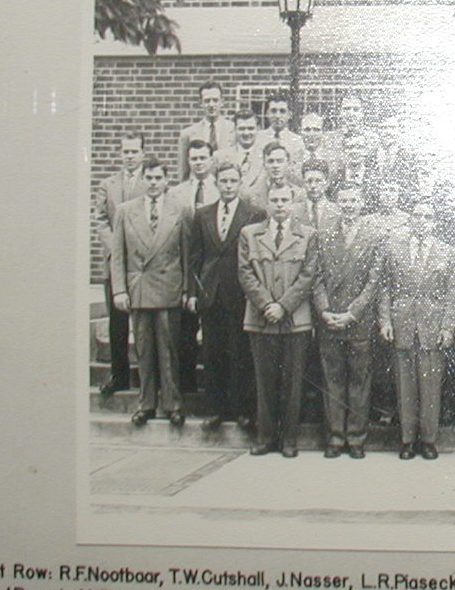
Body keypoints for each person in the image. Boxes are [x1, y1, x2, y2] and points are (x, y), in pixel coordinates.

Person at [238, 182, 317, 457]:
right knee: (265, 381)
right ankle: (266, 437)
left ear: (293, 204)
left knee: (293, 383)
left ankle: (289, 440)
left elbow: (308, 276)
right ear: (267, 203)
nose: (280, 205)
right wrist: (267, 304)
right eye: (275, 200)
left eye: (285, 200)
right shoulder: (249, 234)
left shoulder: (307, 235)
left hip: (295, 319)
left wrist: (283, 306)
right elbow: (245, 273)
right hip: (261, 318)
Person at [109, 158, 189, 427]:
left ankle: (173, 404)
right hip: (139, 287)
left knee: (169, 349)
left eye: (158, 178)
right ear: (143, 179)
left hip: (168, 287)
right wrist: (119, 290)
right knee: (144, 349)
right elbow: (117, 255)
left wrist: (186, 289)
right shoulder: (125, 211)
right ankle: (146, 404)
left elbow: (186, 254)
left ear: (167, 180)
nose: (154, 183)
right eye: (149, 178)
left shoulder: (180, 209)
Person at [184, 160, 263, 432]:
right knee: (213, 353)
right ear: (216, 183)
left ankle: (243, 410)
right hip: (210, 293)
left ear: (240, 183)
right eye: (224, 181)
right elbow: (195, 257)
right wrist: (192, 292)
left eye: (233, 181)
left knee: (241, 353)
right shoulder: (203, 214)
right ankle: (215, 409)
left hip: (240, 293)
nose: (228, 186)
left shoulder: (253, 214)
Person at [379, 199, 455, 459]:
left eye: (427, 217)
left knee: (430, 386)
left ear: (434, 223)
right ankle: (407, 440)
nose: (422, 221)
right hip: (402, 323)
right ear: (410, 220)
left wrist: (447, 328)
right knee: (405, 385)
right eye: (417, 216)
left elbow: (452, 294)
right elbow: (385, 288)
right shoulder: (394, 248)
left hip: (431, 326)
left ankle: (428, 440)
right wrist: (385, 321)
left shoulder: (447, 251)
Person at [311, 182, 383, 459]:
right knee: (332, 379)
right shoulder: (323, 233)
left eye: (354, 200)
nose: (349, 205)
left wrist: (353, 313)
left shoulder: (374, 235)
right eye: (344, 201)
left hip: (358, 320)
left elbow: (374, 281)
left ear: (362, 203)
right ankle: (335, 437)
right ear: (337, 203)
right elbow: (316, 276)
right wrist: (324, 310)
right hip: (330, 318)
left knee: (359, 381)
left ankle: (355, 438)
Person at [95, 130, 145, 396]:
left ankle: (148, 378)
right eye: (126, 151)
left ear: (142, 153)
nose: (130, 156)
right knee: (117, 323)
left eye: (134, 151)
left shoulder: (150, 183)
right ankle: (119, 376)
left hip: (141, 263)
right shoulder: (108, 185)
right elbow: (101, 220)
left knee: (143, 321)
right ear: (120, 153)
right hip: (115, 263)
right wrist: (115, 248)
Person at [176, 81, 237, 180]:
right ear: (201, 103)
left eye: (215, 100)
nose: (211, 105)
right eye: (207, 101)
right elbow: (183, 173)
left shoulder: (234, 130)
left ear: (222, 102)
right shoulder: (188, 134)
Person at [254, 93, 306, 165]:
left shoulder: (297, 141)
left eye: (282, 111)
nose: (277, 116)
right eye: (273, 111)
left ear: (290, 115)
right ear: (267, 113)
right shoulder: (258, 138)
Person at [214, 110, 264, 184]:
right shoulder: (219, 157)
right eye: (241, 129)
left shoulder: (266, 157)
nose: (246, 133)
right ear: (234, 129)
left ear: (258, 129)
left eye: (251, 128)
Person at [293, 160, 340, 230]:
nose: (313, 186)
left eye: (318, 181)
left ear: (327, 183)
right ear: (303, 183)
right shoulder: (293, 211)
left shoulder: (337, 211)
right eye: (309, 181)